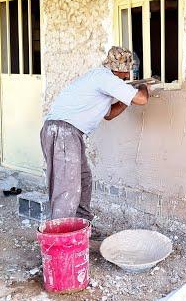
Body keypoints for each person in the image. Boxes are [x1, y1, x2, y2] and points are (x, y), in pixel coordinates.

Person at [40, 46, 150, 225]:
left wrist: (126, 99)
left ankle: (81, 227)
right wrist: (144, 87)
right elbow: (142, 99)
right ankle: (62, 238)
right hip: (63, 132)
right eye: (127, 73)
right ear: (121, 70)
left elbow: (109, 114)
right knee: (66, 189)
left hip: (66, 132)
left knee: (83, 180)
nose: (128, 77)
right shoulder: (106, 78)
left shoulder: (101, 78)